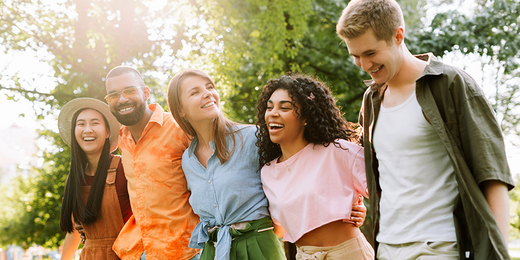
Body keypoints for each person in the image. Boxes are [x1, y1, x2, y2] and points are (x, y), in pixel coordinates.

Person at [336, 0, 515, 259]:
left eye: (371, 53)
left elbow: (492, 174)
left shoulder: (451, 85)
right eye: (355, 56)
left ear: (398, 36)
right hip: (386, 246)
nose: (364, 64)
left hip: (438, 247)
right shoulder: (371, 100)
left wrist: (496, 254)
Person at [166, 68, 287, 260]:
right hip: (212, 250)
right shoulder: (187, 160)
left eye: (209, 87)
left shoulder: (252, 138)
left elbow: (295, 170)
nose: (207, 93)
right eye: (195, 92)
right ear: (180, 109)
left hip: (257, 246)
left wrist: (347, 205)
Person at [256, 74, 374, 260]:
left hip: (349, 253)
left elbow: (385, 193)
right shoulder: (268, 172)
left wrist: (359, 207)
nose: (273, 113)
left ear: (305, 117)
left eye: (284, 107)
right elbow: (280, 229)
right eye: (269, 107)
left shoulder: (337, 151)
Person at [104, 67, 200, 260]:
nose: (122, 100)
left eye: (129, 91)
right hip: (141, 251)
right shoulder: (121, 139)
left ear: (146, 92)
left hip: (185, 250)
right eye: (113, 95)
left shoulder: (180, 128)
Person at [58, 98, 132, 260]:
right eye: (81, 124)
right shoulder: (74, 178)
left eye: (95, 123)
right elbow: (73, 233)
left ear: (107, 132)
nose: (88, 129)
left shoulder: (125, 167)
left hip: (127, 254)